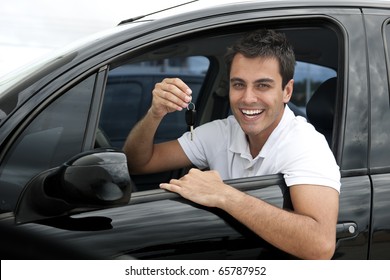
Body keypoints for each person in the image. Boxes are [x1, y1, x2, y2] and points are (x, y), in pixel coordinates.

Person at [123, 29, 341, 260]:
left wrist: (225, 195)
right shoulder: (222, 131)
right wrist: (155, 113)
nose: (247, 98)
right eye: (238, 85)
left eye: (262, 85)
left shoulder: (306, 144)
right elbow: (138, 163)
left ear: (287, 91)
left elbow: (320, 246)